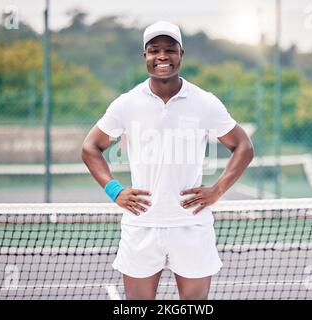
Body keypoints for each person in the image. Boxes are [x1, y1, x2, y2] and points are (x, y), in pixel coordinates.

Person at [81, 21, 254, 300]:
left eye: (170, 49)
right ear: (145, 56)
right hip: (141, 225)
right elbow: (90, 147)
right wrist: (115, 191)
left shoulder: (204, 101)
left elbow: (243, 146)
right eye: (154, 50)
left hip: (191, 225)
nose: (162, 56)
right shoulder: (126, 103)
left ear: (181, 54)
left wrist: (217, 191)